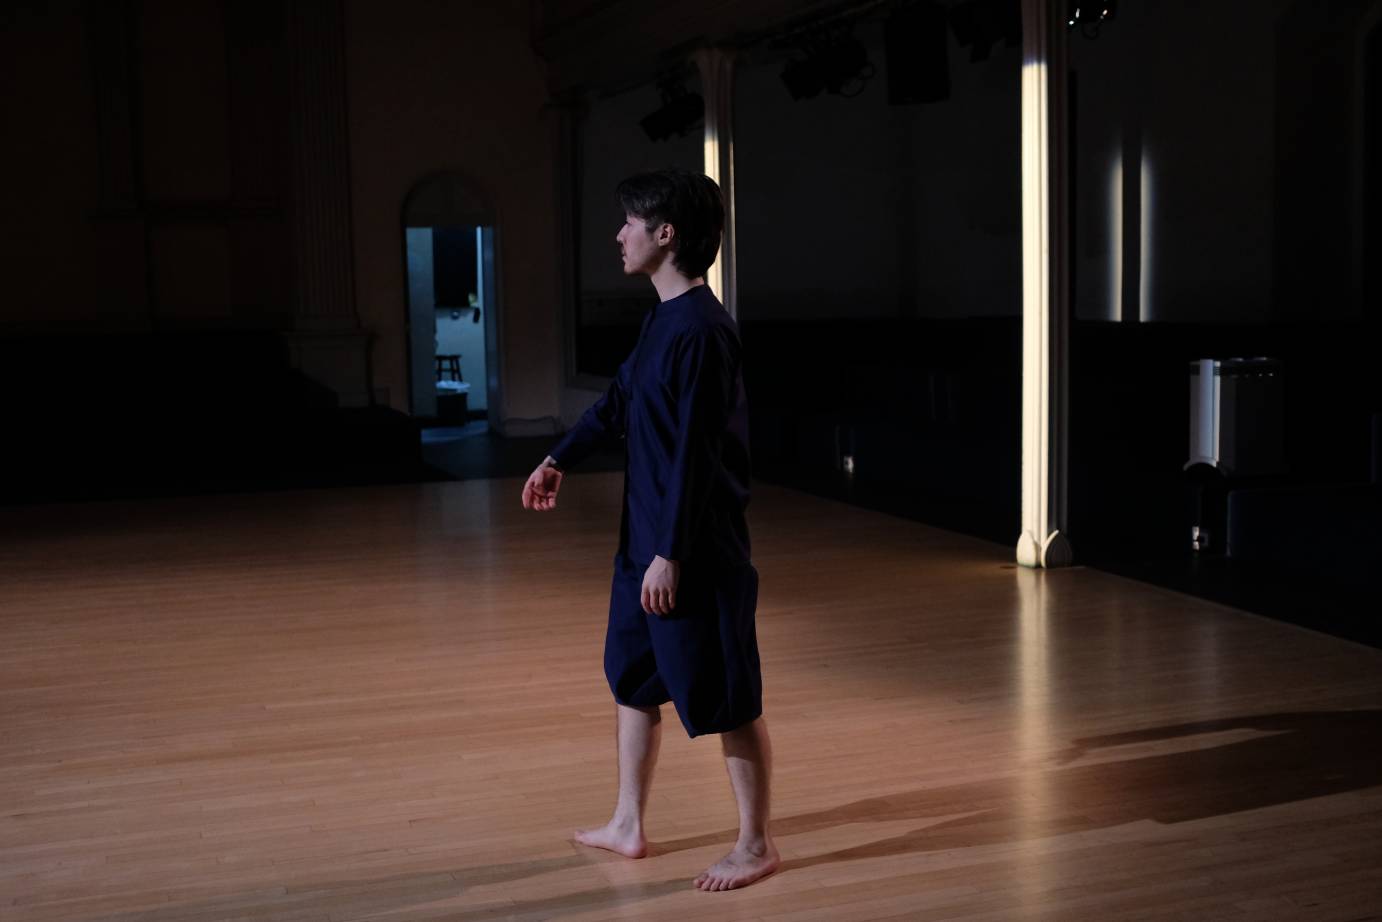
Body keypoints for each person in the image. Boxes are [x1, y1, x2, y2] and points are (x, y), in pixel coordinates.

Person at [521, 169, 778, 892]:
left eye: (630, 223)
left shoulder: (704, 331)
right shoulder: (662, 320)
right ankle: (628, 824)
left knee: (727, 696)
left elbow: (698, 454)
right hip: (644, 545)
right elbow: (618, 403)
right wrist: (557, 459)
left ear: (666, 234)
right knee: (632, 678)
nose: (619, 235)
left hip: (693, 551)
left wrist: (671, 553)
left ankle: (756, 844)